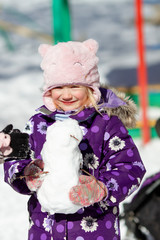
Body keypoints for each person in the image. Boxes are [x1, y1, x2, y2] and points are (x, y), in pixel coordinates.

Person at [3, 39, 146, 240]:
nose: (66, 94)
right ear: (48, 90)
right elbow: (16, 159)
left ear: (90, 88)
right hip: (45, 228)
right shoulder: (38, 123)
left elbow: (131, 167)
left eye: (74, 86)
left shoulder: (105, 124)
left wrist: (102, 188)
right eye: (59, 87)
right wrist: (26, 173)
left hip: (94, 227)